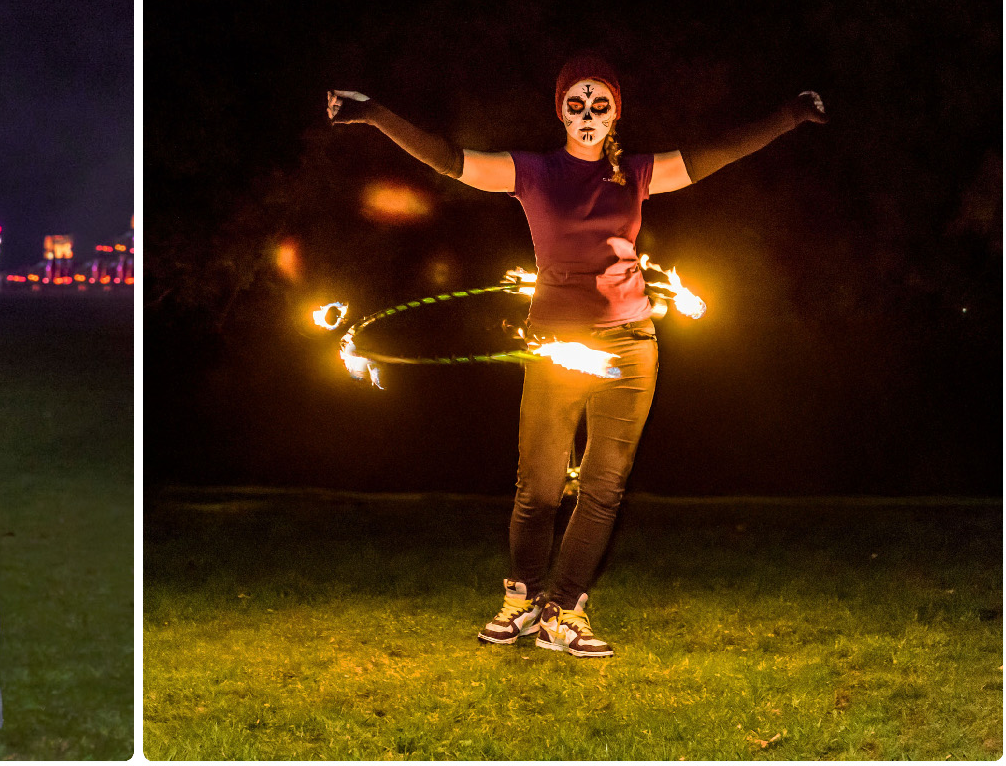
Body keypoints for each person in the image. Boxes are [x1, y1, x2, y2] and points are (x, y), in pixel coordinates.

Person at [328, 55, 826, 657]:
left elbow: (720, 151)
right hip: (556, 347)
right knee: (537, 488)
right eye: (575, 104)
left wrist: (792, 114)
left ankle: (566, 611)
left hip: (630, 346)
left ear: (617, 113)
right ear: (559, 109)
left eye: (600, 105)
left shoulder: (638, 173)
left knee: (602, 488)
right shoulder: (532, 172)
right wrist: (373, 114)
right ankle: (522, 602)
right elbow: (449, 159)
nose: (587, 116)